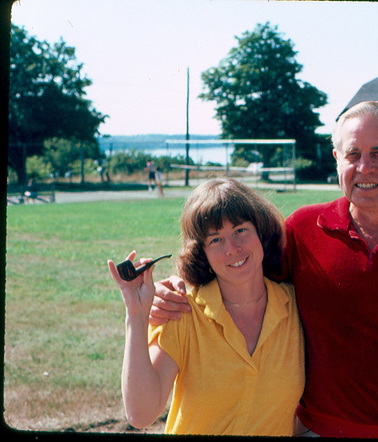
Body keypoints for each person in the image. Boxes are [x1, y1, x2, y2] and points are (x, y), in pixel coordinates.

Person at [151, 101, 378, 439]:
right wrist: (179, 285)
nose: (364, 168)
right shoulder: (302, 230)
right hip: (318, 433)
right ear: (337, 161)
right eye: (353, 154)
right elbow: (240, 266)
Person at [107, 178, 305, 435]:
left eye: (240, 231)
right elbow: (140, 414)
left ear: (261, 233)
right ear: (202, 254)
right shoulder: (182, 312)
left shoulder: (296, 307)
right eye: (215, 240)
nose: (232, 249)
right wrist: (135, 315)